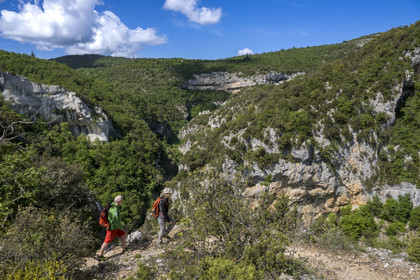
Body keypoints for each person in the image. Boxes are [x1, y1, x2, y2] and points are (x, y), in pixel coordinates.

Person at [97, 195, 127, 261]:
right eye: (122, 201)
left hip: (116, 227)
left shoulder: (115, 206)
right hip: (112, 228)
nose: (122, 202)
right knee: (107, 242)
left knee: (123, 234)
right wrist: (122, 228)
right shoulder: (114, 209)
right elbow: (115, 220)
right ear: (118, 202)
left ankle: (124, 248)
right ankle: (100, 255)